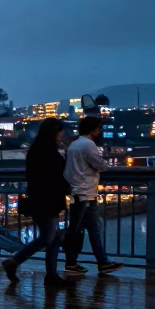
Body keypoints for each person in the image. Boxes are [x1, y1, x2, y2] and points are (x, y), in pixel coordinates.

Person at [3, 118, 69, 287]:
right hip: (48, 199)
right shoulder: (51, 152)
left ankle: (51, 274)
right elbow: (56, 176)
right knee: (47, 237)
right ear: (55, 132)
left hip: (41, 198)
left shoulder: (36, 150)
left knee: (52, 237)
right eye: (60, 131)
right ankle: (14, 262)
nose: (62, 134)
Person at [63, 115, 123, 275]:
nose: (100, 130)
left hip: (78, 192)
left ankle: (98, 261)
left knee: (86, 228)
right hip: (86, 192)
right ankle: (74, 262)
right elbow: (101, 165)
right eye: (98, 127)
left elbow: (67, 171)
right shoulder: (89, 145)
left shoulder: (73, 145)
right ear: (92, 129)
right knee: (81, 230)